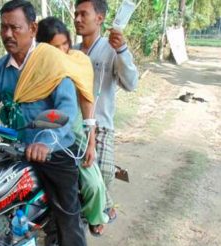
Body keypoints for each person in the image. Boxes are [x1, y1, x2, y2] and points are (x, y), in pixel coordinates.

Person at [0, 1, 86, 245]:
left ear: (33, 29)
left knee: (67, 215)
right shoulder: (0, 69)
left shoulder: (52, 63)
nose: (7, 34)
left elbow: (67, 108)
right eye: (4, 28)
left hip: (54, 150)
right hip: (15, 146)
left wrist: (46, 142)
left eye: (15, 28)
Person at [37, 16, 109, 236]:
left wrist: (90, 143)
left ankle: (96, 216)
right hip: (40, 134)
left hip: (74, 135)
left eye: (64, 44)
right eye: (54, 47)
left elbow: (88, 105)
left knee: (93, 184)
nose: (61, 51)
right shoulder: (35, 68)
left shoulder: (77, 63)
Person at [74, 0, 139, 222]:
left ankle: (104, 209)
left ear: (100, 18)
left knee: (102, 176)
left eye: (84, 14)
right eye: (76, 14)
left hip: (100, 126)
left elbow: (131, 84)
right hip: (72, 126)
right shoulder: (71, 51)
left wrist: (122, 50)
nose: (77, 19)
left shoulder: (111, 49)